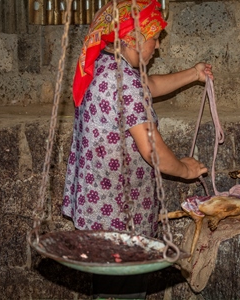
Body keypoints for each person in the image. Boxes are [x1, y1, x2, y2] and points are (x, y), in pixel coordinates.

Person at [61, 1, 212, 297]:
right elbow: (152, 150)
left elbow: (150, 84)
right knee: (125, 290)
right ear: (133, 39)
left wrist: (194, 74)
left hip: (97, 210)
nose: (157, 46)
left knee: (108, 286)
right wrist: (185, 169)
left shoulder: (104, 65)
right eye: (154, 37)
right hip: (119, 213)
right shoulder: (124, 82)